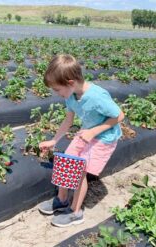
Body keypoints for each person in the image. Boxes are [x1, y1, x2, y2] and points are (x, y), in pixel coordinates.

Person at [38, 54, 124, 227]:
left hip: (103, 137)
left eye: (57, 89)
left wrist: (94, 131)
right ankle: (62, 200)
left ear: (70, 83)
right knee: (67, 161)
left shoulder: (97, 96)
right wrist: (54, 140)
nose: (57, 94)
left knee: (80, 171)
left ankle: (76, 212)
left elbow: (119, 116)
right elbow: (68, 121)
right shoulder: (71, 96)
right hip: (87, 133)